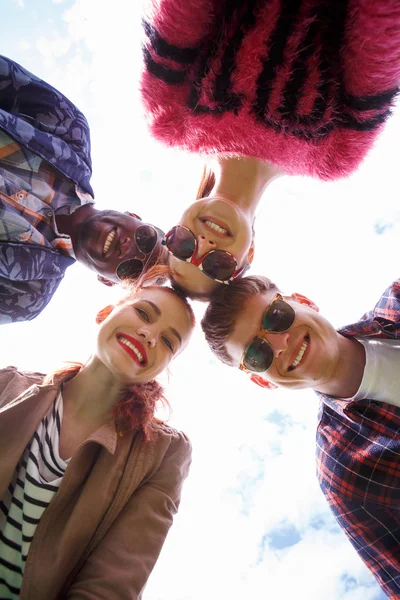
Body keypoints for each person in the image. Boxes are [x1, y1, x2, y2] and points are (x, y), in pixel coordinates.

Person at [140, 0, 400, 297]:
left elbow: (181, 14)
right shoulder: (336, 157)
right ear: (248, 255)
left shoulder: (167, 117)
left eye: (183, 246)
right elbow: (379, 50)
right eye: (218, 266)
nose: (204, 244)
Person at [0, 265, 194, 599]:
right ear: (105, 312)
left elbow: (112, 584)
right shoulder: (8, 383)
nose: (150, 335)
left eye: (167, 341)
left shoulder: (163, 453)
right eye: (145, 313)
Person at [201, 275, 400, 597]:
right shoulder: (346, 473)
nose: (280, 345)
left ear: (304, 301)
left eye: (275, 317)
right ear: (263, 382)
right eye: (257, 353)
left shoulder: (398, 300)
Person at [0, 55, 167, 324]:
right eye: (145, 240)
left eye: (133, 269)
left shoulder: (26, 296)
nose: (131, 249)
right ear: (134, 216)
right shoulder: (69, 129)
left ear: (106, 280)